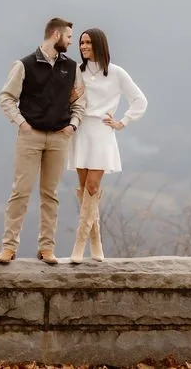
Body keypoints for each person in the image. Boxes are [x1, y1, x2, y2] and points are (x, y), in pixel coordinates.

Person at [0, 17, 86, 265]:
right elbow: (6, 97)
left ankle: (47, 248)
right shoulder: (24, 65)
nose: (71, 42)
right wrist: (22, 124)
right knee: (20, 192)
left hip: (60, 137)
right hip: (31, 136)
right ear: (56, 35)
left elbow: (79, 100)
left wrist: (72, 125)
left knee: (50, 194)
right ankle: (8, 247)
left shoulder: (72, 67)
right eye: (68, 37)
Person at [67, 27, 147, 263]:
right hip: (81, 130)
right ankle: (96, 243)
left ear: (99, 44)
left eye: (88, 43)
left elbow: (139, 100)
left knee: (92, 186)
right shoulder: (76, 72)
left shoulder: (116, 73)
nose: (83, 47)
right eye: (81, 43)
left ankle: (79, 245)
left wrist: (123, 121)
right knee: (84, 192)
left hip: (102, 131)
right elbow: (67, 98)